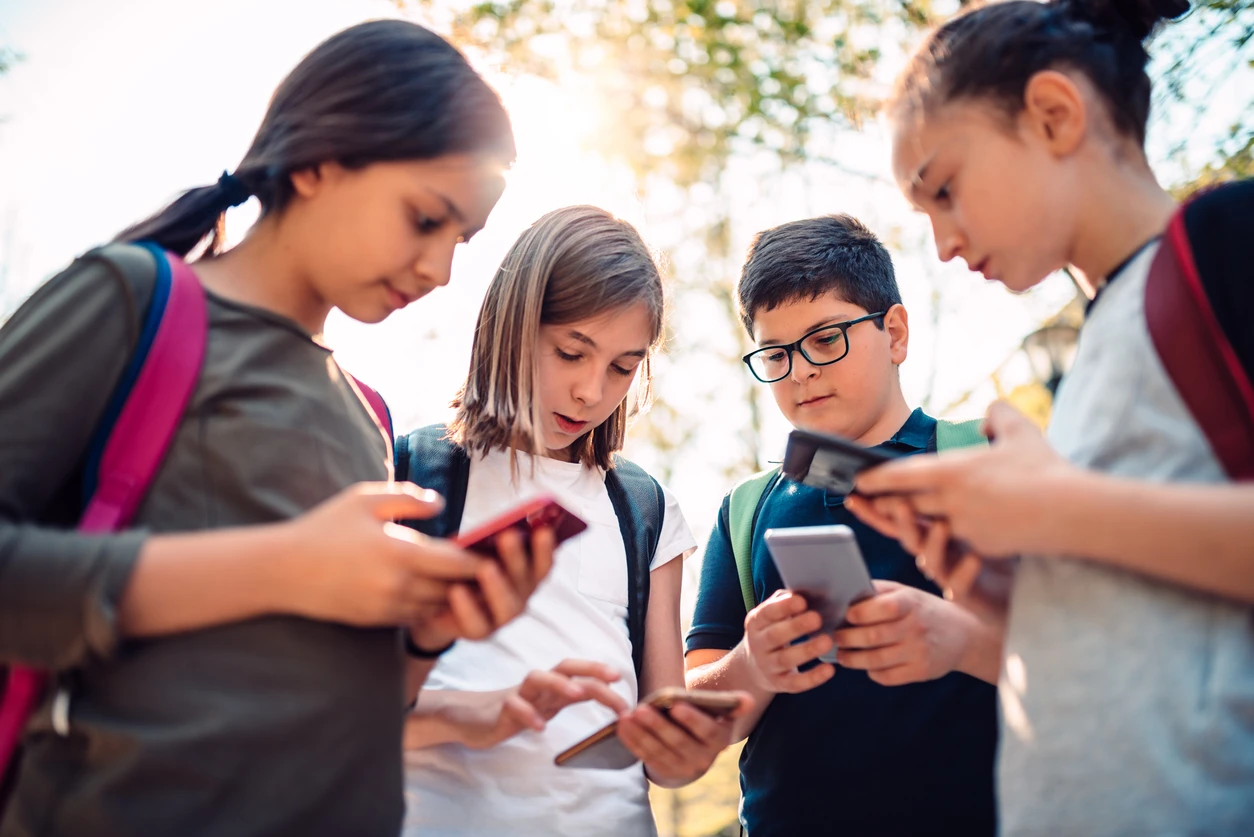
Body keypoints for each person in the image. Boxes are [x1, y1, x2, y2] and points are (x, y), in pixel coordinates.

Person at [0, 20, 551, 837]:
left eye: (462, 241)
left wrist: (424, 636)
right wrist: (281, 565)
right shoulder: (134, 300)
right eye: (424, 218)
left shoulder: (369, 412)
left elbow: (345, 694)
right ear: (320, 160)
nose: (440, 270)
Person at [845, 0, 1254, 832]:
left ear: (1053, 115)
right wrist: (1008, 589)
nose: (945, 245)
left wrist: (1050, 507)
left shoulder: (1225, 244)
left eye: (946, 190)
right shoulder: (1103, 337)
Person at [397, 205, 753, 837]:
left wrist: (688, 740)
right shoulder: (412, 473)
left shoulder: (644, 509)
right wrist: (472, 714)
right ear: (513, 324)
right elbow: (341, 712)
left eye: (622, 366)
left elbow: (664, 760)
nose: (593, 390)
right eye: (571, 352)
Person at [683, 214, 1001, 837]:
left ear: (896, 333)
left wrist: (958, 639)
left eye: (826, 339)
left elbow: (1078, 652)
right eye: (776, 353)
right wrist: (753, 664)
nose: (800, 371)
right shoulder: (747, 510)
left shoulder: (984, 463)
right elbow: (701, 702)